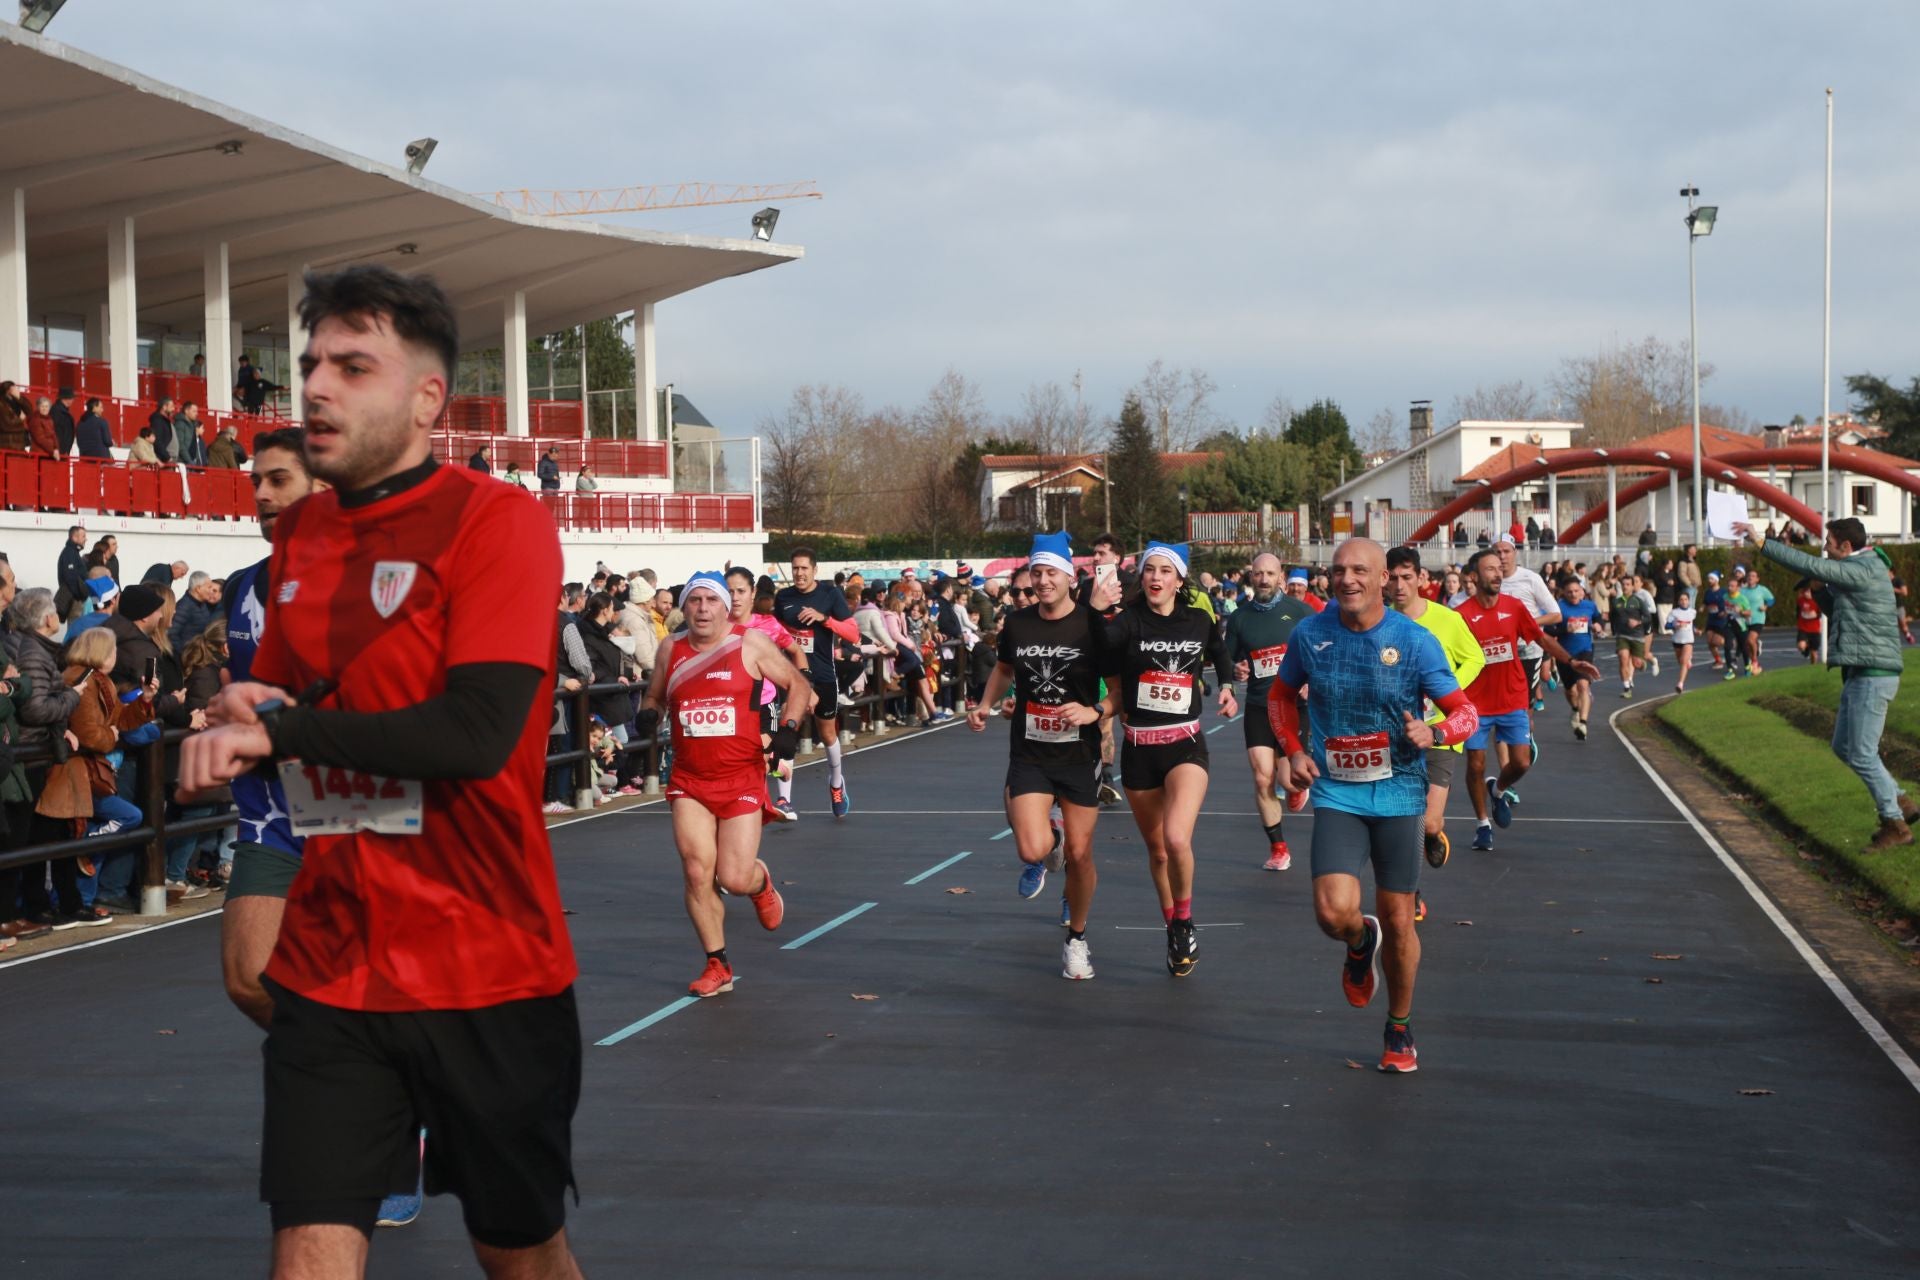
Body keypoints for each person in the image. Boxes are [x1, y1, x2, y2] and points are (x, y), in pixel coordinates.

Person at [178, 265, 584, 1274]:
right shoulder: (302, 535)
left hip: (486, 966)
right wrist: (239, 712)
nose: (314, 385)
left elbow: (477, 731)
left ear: (425, 398)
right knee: (306, 1247)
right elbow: (281, 700)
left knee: (519, 1253)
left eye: (353, 366)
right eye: (310, 362)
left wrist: (289, 735)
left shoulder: (497, 519)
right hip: (331, 966)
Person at [1266, 539, 1481, 1072]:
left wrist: (1433, 731)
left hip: (1401, 791)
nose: (1347, 579)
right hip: (1338, 789)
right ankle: (1360, 943)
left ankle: (1400, 1027)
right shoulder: (1310, 633)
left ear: (1384, 577)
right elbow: (1279, 696)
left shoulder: (1414, 640)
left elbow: (1465, 714)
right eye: (1338, 570)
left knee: (1401, 919)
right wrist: (1293, 750)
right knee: (1331, 912)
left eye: (1360, 570)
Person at [642, 572, 813, 997]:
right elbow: (656, 696)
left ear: (725, 606)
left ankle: (759, 883)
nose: (702, 608)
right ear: (685, 607)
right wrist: (649, 713)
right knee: (698, 870)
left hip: (740, 775)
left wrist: (789, 728)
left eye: (710, 600)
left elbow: (799, 684)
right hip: (690, 778)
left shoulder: (749, 643)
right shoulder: (671, 648)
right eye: (694, 600)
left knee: (733, 877)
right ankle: (716, 963)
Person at [1089, 541, 1236, 977]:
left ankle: (1186, 919)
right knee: (1157, 853)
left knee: (1176, 839)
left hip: (1186, 745)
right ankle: (1172, 925)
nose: (1155, 578)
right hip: (1139, 749)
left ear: (1179, 579)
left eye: (1165, 571)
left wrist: (1226, 685)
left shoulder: (1198, 619)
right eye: (1149, 570)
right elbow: (1098, 650)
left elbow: (1220, 652)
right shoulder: (1129, 622)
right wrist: (1096, 611)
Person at [971, 532, 1112, 978]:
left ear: (1070, 576)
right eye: (1038, 572)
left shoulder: (1093, 625)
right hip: (1030, 751)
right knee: (1033, 848)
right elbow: (1005, 668)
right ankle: (1053, 847)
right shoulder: (1018, 623)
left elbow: (1120, 688)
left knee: (1083, 855)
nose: (1044, 580)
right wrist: (985, 703)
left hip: (1077, 755)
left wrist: (1095, 711)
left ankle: (1077, 939)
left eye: (1052, 572)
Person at [1740, 517, 1916, 849]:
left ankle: (1895, 824)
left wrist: (1761, 542)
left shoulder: (1862, 567)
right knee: (1843, 747)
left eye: (1829, 542)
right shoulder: (1861, 569)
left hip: (1873, 675)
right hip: (1860, 672)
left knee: (1862, 754)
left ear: (1846, 547)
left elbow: (1806, 562)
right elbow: (1840, 613)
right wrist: (1820, 594)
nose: (1824, 548)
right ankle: (1902, 801)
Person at [1456, 549, 1600, 851]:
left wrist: (1571, 662)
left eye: (1499, 568)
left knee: (1521, 762)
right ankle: (1483, 825)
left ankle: (1499, 789)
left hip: (1512, 698)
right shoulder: (1462, 616)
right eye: (1489, 569)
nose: (1497, 574)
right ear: (1473, 577)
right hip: (1476, 704)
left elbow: (1542, 638)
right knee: (1475, 764)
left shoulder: (1514, 607)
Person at [1383, 547, 1485, 880]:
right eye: (1393, 578)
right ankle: (1410, 894)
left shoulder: (1447, 620)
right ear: (1384, 580)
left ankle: (1432, 834)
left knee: (1427, 820)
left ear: (1421, 578)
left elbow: (1475, 658)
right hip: (1395, 733)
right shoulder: (1379, 622)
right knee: (1398, 820)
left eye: (1407, 577)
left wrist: (1447, 689)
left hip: (1440, 731)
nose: (1400, 585)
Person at [1222, 552, 1313, 871]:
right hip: (1260, 706)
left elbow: (1323, 654)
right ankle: (1279, 848)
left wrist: (1311, 681)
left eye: (1269, 574)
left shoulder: (1302, 613)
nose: (1263, 579)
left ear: (1281, 578)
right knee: (1262, 778)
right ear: (1251, 577)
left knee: (1290, 781)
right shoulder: (1240, 617)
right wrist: (1236, 672)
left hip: (1294, 706)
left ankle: (1295, 789)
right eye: (1258, 574)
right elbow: (1227, 660)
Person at [774, 547, 861, 818]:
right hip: (792, 676)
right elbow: (773, 631)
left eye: (804, 568)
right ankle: (783, 799)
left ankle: (836, 783)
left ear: (814, 570)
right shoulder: (783, 598)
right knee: (787, 734)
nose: (799, 573)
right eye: (795, 568)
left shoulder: (829, 595)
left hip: (823, 676)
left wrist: (824, 619)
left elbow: (853, 633)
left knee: (827, 734)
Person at [727, 566, 807, 820]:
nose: (735, 597)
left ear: (753, 594)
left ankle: (769, 802)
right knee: (745, 758)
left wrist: (805, 682)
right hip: (732, 704)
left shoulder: (767, 624)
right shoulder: (716, 627)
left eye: (741, 591)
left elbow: (796, 651)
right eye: (730, 591)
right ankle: (775, 766)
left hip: (764, 700)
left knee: (758, 756)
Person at [1546, 576, 1601, 738]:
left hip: (1585, 650)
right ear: (1564, 593)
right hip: (1565, 654)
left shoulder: (1590, 606)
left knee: (1583, 685)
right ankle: (1575, 710)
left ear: (1582, 591)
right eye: (1569, 592)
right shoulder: (1558, 608)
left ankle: (1583, 724)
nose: (1573, 594)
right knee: (1570, 690)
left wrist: (1599, 625)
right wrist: (1565, 630)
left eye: (1576, 591)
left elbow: (1598, 618)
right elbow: (1548, 631)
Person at [1608, 573, 1655, 698]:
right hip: (1622, 635)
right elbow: (1612, 617)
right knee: (1623, 658)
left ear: (1633, 587)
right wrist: (1614, 631)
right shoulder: (1616, 602)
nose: (1625, 587)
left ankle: (1642, 663)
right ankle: (1626, 687)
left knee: (1636, 663)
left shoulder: (1638, 601)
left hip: (1637, 636)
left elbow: (1648, 618)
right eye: (1623, 585)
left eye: (1628, 585)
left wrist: (1638, 622)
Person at [1736, 568, 1775, 674]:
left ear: (1757, 579)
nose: (1750, 577)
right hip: (1745, 620)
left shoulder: (1762, 590)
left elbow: (1771, 599)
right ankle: (1753, 653)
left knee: (1749, 640)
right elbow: (1737, 602)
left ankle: (1754, 661)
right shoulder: (1742, 591)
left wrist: (1766, 606)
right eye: (1749, 576)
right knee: (1746, 643)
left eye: (1753, 576)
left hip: (1758, 619)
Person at [1668, 589, 1697, 695]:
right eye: (1681, 599)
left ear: (1689, 601)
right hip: (1677, 640)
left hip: (1688, 640)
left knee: (1684, 661)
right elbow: (1667, 625)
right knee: (1681, 661)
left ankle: (1680, 684)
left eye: (1686, 599)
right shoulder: (1674, 612)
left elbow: (1691, 624)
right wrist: (1675, 625)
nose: (1684, 601)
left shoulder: (1693, 612)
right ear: (1678, 601)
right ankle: (1687, 660)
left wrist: (1696, 630)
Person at [1793, 578, 1823, 663]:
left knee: (1814, 652)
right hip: (1803, 627)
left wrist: (1815, 615)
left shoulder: (1817, 601)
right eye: (1805, 591)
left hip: (1814, 629)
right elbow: (1798, 612)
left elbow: (1819, 613)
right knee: (1801, 645)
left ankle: (1813, 666)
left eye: (1809, 592)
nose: (1807, 593)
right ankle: (1805, 650)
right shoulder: (1800, 600)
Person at [147, 397, 177, 461]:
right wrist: (167, 457)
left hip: (168, 459)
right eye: (171, 406)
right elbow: (157, 440)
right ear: (164, 407)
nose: (173, 409)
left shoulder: (165, 421)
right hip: (163, 460)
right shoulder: (157, 421)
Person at [51, 386, 77, 455]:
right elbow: (58, 432)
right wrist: (63, 449)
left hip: (61, 450)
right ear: (67, 399)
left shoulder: (58, 410)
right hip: (60, 451)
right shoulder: (58, 412)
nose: (73, 400)